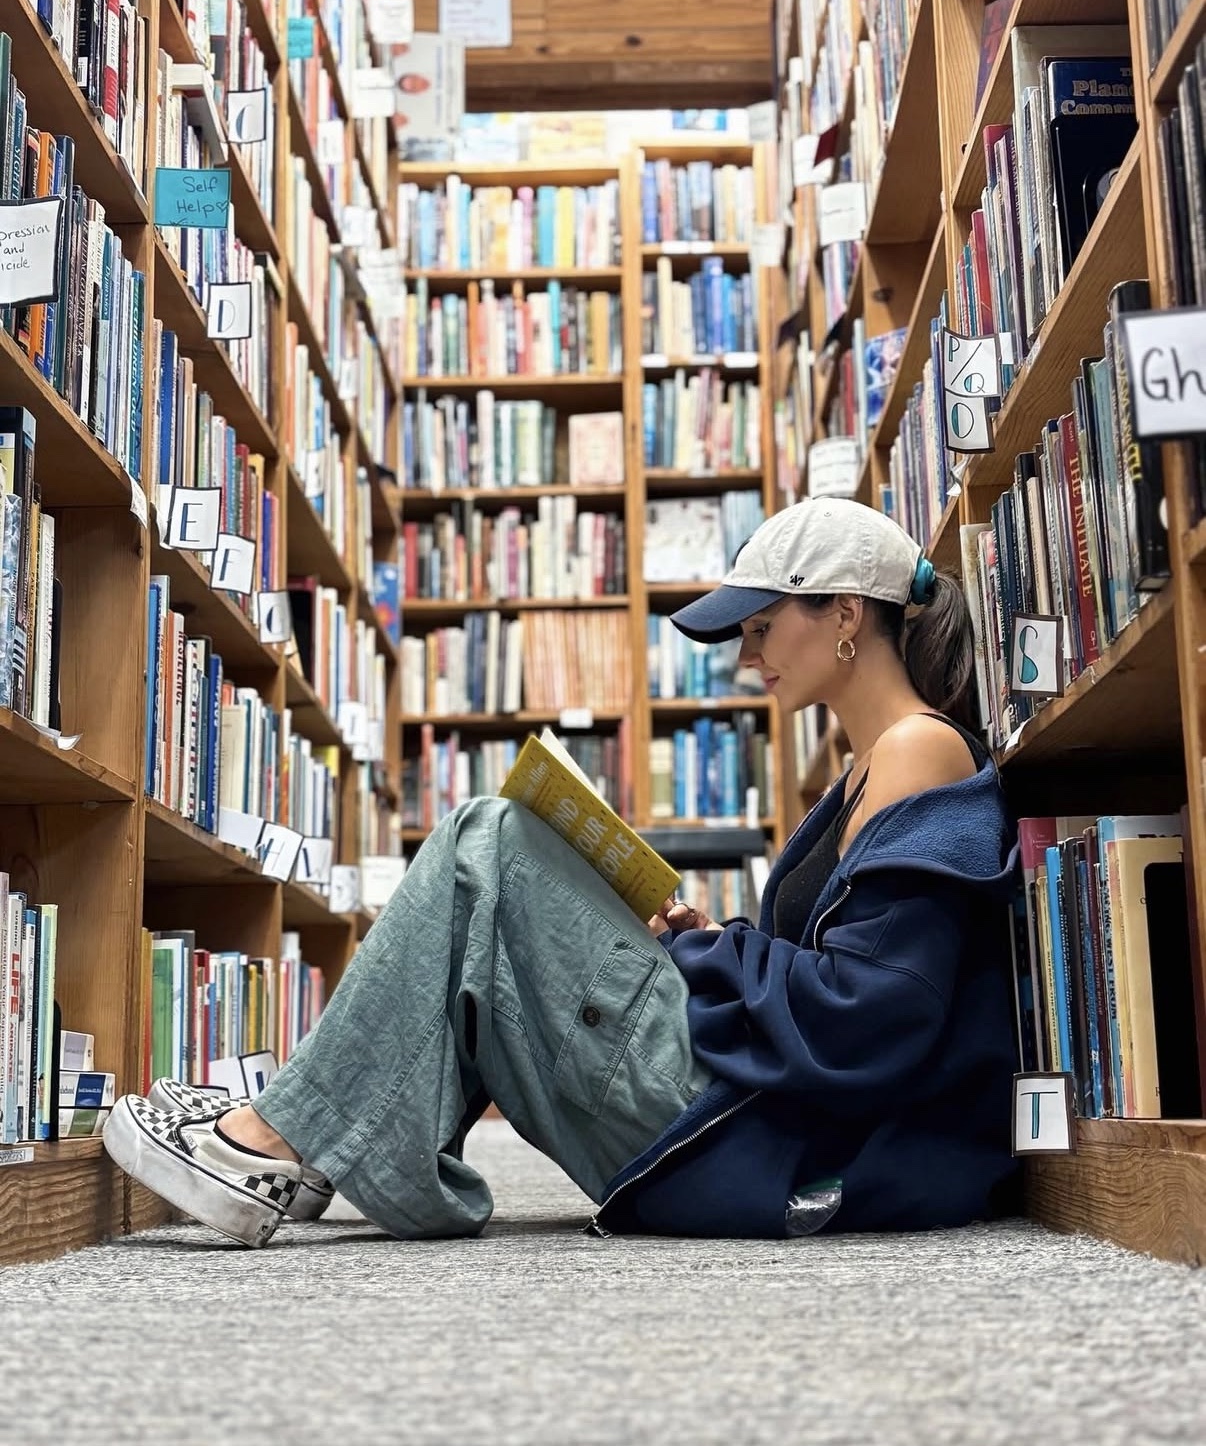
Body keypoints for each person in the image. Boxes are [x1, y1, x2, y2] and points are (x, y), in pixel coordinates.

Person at [103, 497, 1022, 1248]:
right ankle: (296, 1140)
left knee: (486, 838)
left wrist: (717, 959)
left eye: (763, 625)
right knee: (487, 870)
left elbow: (871, 1018)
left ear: (848, 615)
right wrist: (712, 942)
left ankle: (273, 1142)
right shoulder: (870, 764)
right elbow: (835, 980)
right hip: (752, 1106)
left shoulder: (918, 750)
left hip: (752, 1133)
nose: (748, 655)